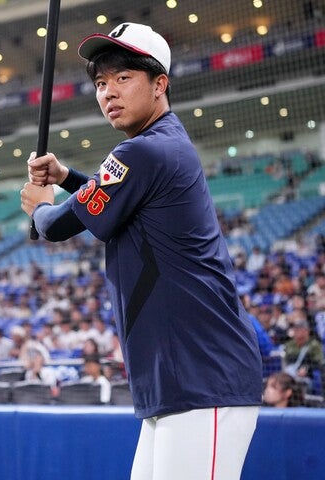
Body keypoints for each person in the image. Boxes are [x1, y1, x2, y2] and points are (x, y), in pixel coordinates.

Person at [20, 23, 262, 479]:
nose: (109, 92)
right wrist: (68, 176)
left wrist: (39, 206)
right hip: (179, 378)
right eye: (100, 82)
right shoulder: (154, 149)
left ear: (159, 84)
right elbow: (111, 194)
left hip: (201, 376)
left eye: (124, 77)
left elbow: (56, 226)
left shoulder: (142, 152)